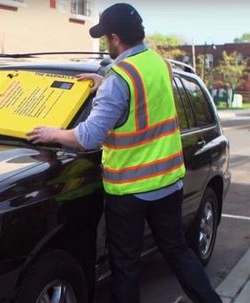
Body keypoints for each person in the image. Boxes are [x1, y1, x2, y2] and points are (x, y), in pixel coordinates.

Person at [26, 3, 222, 303]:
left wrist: (52, 133)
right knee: (177, 251)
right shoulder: (158, 63)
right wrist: (105, 84)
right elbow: (144, 101)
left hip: (130, 192)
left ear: (116, 37)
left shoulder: (120, 78)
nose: (106, 44)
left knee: (126, 266)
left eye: (106, 38)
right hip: (168, 184)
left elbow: (89, 137)